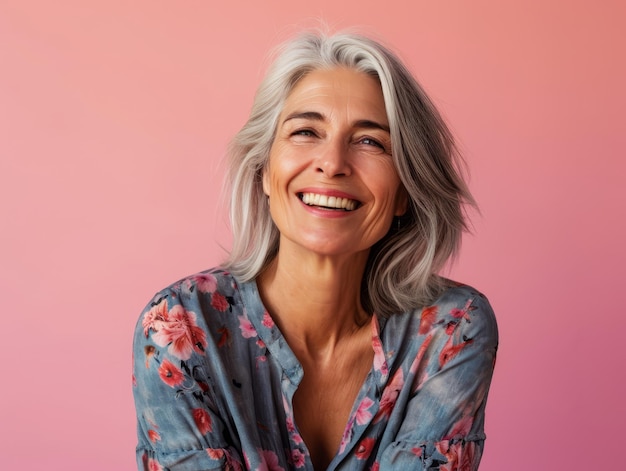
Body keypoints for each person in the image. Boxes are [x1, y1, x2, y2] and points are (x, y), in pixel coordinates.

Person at [133, 30, 498, 471]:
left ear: (404, 191)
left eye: (370, 142)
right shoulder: (181, 328)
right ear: (265, 172)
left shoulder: (451, 330)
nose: (332, 162)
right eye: (306, 131)